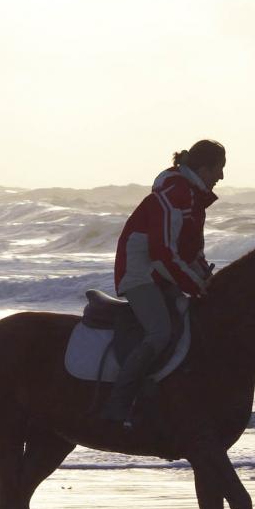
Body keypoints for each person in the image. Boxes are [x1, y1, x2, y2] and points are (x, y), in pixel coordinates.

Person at [103, 139, 226, 425]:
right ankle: (118, 402)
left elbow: (190, 252)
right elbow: (163, 253)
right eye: (219, 169)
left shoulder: (195, 199)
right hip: (140, 273)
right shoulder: (174, 194)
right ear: (204, 168)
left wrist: (208, 280)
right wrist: (197, 286)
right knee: (160, 332)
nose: (221, 177)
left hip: (161, 271)